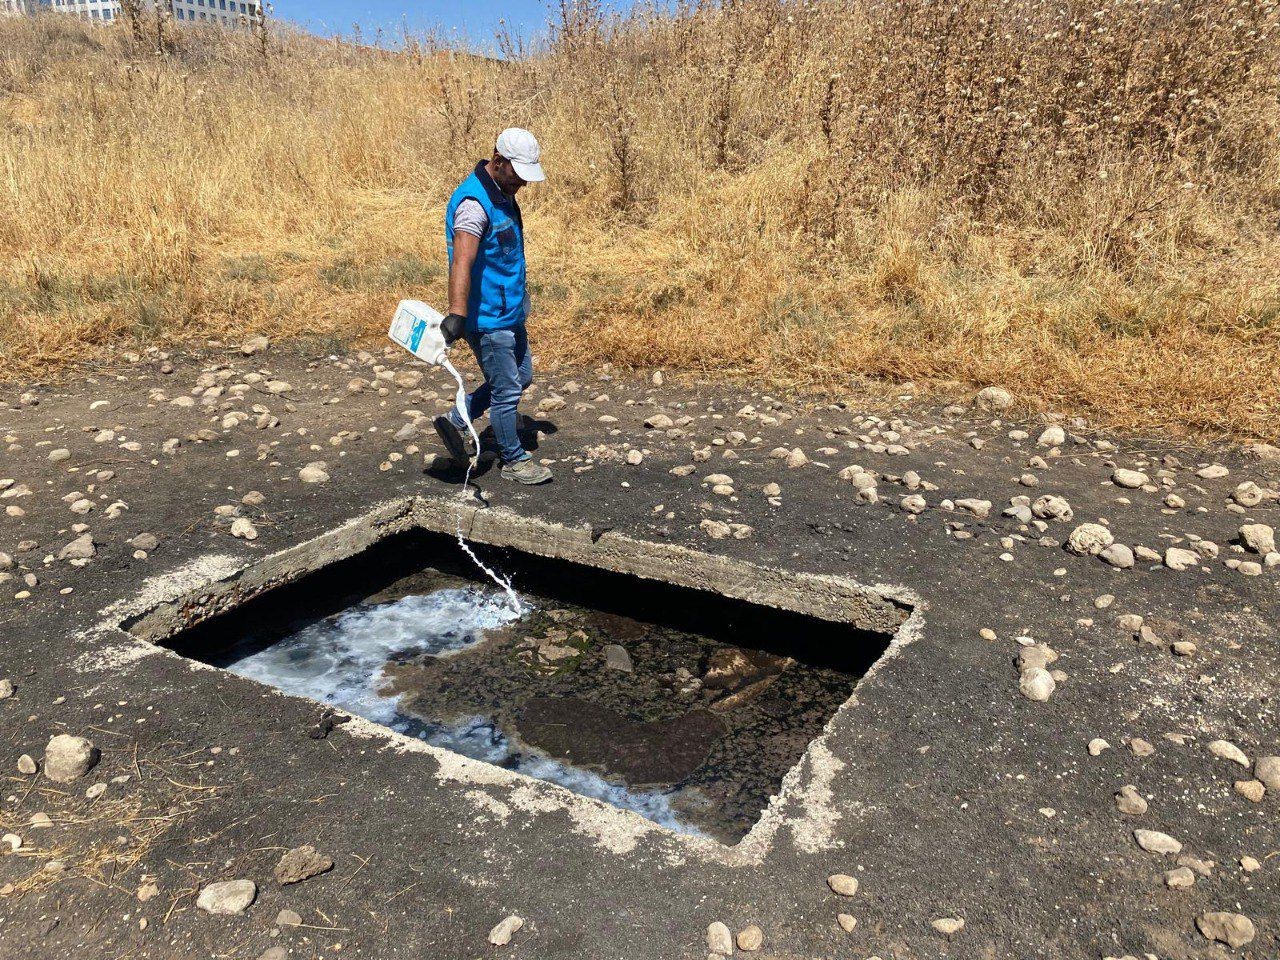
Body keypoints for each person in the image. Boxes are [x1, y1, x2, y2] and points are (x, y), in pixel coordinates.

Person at [433, 128, 552, 485]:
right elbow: (462, 261)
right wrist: (457, 313)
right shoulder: (474, 203)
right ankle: (514, 460)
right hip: (488, 318)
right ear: (498, 162)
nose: (523, 185)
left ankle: (458, 420)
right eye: (518, 176)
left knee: (522, 376)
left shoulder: (501, 191)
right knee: (506, 390)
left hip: (509, 311)